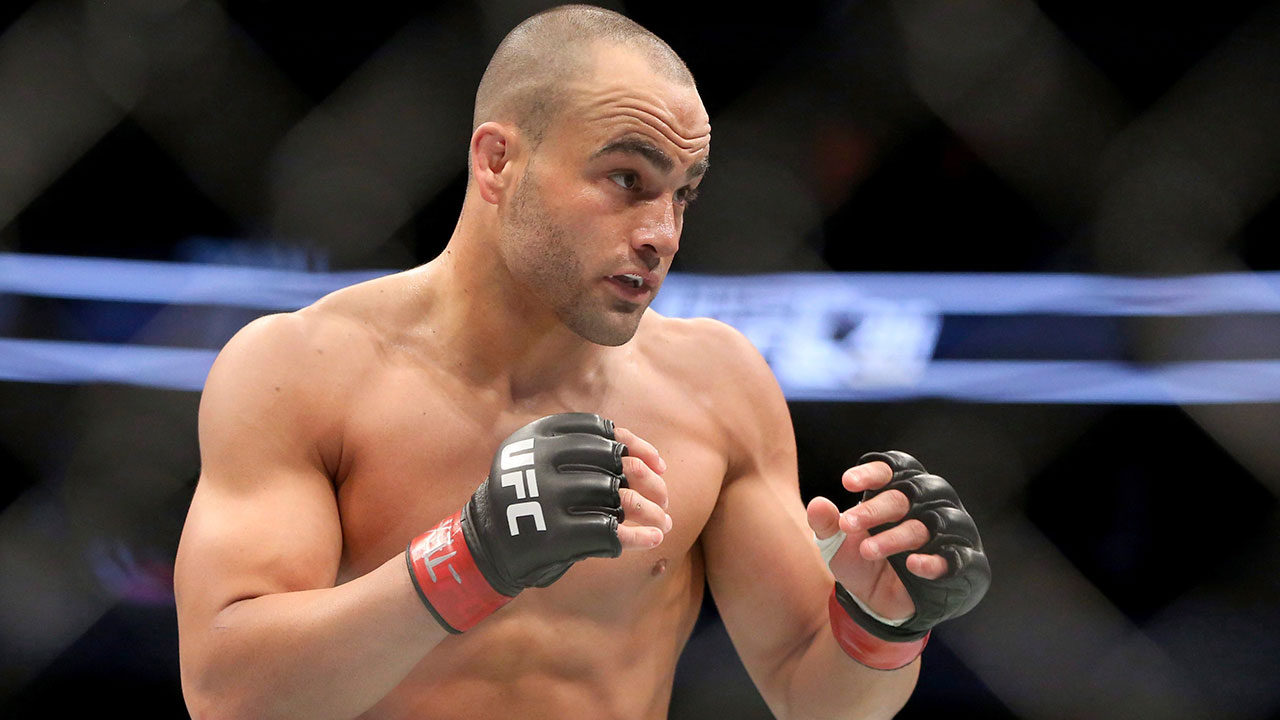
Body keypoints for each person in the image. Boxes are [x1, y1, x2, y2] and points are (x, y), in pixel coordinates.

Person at [174, 5, 989, 719]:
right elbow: (227, 694)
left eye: (682, 193)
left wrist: (884, 625)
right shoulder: (302, 368)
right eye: (627, 179)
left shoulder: (716, 387)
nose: (661, 233)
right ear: (498, 162)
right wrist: (471, 558)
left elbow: (812, 694)